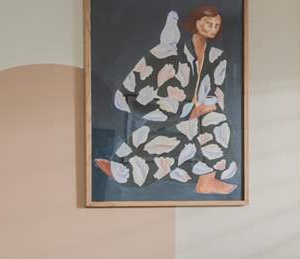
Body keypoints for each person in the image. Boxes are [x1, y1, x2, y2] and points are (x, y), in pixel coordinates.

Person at [95, 5, 238, 196]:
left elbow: (217, 93)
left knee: (216, 123)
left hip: (202, 121)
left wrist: (206, 107)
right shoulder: (169, 52)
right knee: (141, 164)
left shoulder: (218, 57)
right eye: (208, 23)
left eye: (216, 25)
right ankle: (184, 171)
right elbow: (123, 98)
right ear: (195, 23)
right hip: (170, 121)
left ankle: (204, 179)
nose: (213, 28)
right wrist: (178, 109)